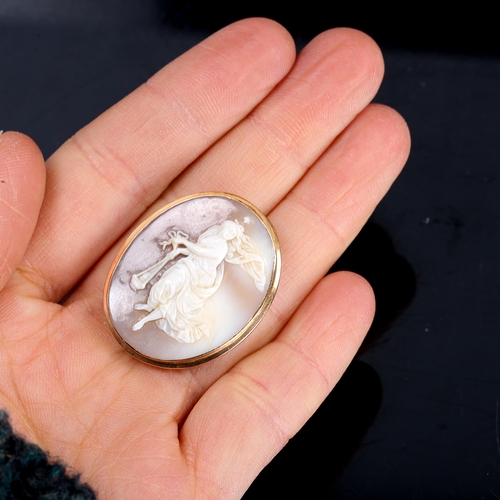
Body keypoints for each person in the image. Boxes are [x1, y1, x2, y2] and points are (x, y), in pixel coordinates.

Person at [0, 18, 410, 498]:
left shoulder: (217, 240)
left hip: (197, 272)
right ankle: (149, 310)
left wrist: (180, 243)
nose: (226, 226)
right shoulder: (218, 229)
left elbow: (203, 251)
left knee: (168, 291)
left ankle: (152, 311)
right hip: (190, 268)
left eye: (228, 227)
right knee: (159, 289)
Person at [131, 220, 266, 342]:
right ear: (223, 226)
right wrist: (179, 251)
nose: (229, 233)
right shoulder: (209, 235)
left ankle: (145, 320)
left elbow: (201, 251)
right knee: (167, 282)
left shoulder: (222, 248)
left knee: (175, 305)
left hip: (201, 277)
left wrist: (183, 242)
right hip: (190, 264)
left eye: (233, 233)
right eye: (229, 229)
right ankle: (150, 305)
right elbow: (195, 253)